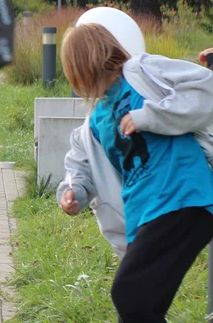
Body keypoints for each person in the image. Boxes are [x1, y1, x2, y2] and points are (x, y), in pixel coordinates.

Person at [60, 23, 213, 322]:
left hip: (183, 196)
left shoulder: (143, 70)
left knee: (129, 294)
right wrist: (74, 193)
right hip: (144, 213)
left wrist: (148, 116)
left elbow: (206, 89)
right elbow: (81, 169)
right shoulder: (93, 123)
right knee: (138, 306)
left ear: (88, 61)